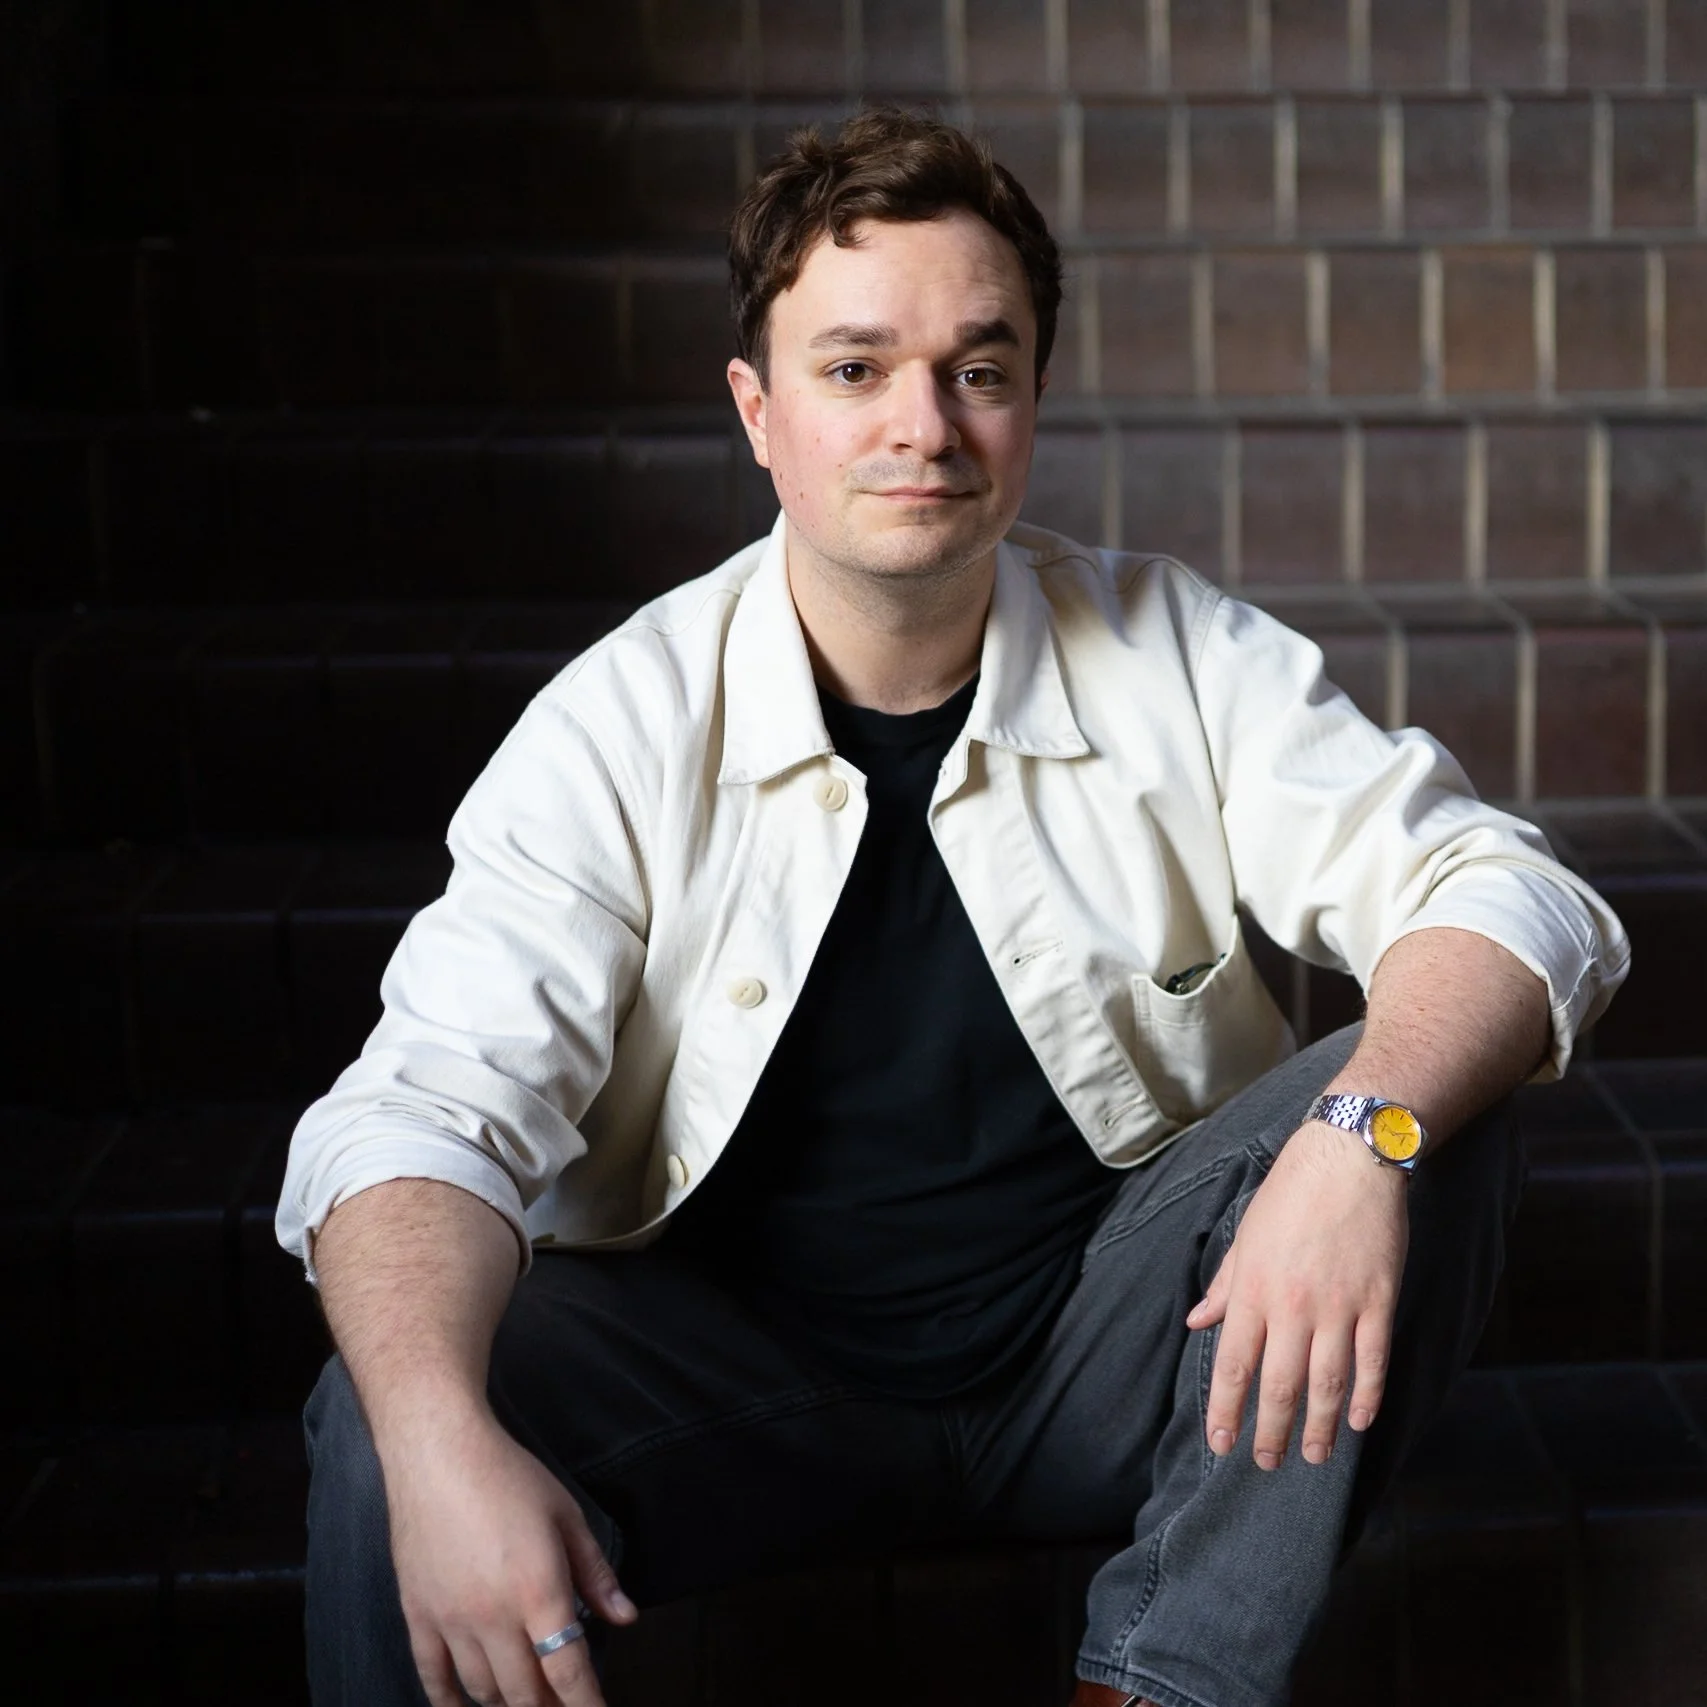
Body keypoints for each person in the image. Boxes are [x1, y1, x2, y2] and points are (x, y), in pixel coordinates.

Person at [278, 108, 1628, 1707]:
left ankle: (1158, 1683)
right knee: (388, 1407)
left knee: (1427, 1100)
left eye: (977, 370)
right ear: (757, 411)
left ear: (1032, 403)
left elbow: (1505, 890)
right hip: (741, 1400)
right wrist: (439, 1447)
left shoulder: (1172, 651)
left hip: (1112, 1361)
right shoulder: (619, 723)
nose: (923, 424)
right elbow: (421, 1116)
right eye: (854, 369)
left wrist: (1356, 1140)